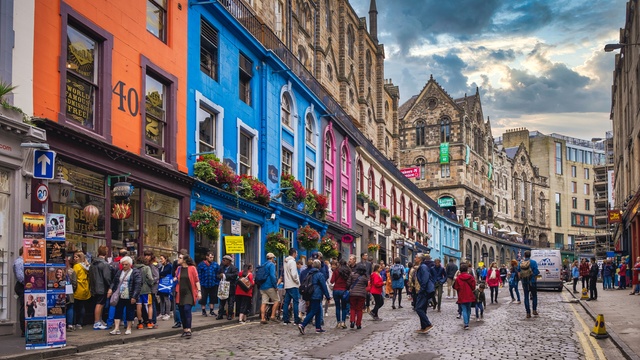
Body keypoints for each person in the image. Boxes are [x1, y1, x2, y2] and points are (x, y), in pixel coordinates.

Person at [108, 256, 141, 335]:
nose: (124, 266)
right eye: (123, 264)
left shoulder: (135, 272)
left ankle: (129, 328)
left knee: (130, 311)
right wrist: (111, 289)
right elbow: (114, 281)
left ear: (130, 264)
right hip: (120, 294)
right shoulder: (119, 272)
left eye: (126, 264)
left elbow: (138, 285)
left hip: (129, 294)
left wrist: (134, 296)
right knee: (118, 311)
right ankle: (116, 328)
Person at [297, 260, 331, 334]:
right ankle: (303, 324)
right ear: (319, 266)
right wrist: (328, 297)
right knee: (313, 311)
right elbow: (323, 286)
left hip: (310, 294)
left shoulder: (309, 274)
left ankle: (318, 328)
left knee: (318, 311)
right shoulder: (319, 274)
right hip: (317, 295)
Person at [173, 254, 201, 338]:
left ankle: (188, 329)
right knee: (181, 312)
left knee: (187, 309)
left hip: (189, 292)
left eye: (180, 258)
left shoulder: (192, 268)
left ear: (184, 260)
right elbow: (176, 278)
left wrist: (199, 291)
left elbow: (196, 281)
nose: (178, 259)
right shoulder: (178, 269)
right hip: (180, 293)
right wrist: (175, 279)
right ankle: (184, 329)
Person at [89, 245, 112, 330]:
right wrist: (110, 286)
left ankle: (99, 320)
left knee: (98, 303)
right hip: (102, 287)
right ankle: (97, 322)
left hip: (94, 286)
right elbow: (107, 277)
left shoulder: (93, 263)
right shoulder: (104, 264)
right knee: (100, 304)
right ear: (106, 253)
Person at [414, 253, 435, 333]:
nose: (414, 259)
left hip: (425, 291)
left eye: (416, 257)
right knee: (422, 308)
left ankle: (428, 324)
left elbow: (425, 279)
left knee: (418, 308)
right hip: (425, 290)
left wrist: (421, 290)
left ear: (419, 259)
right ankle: (423, 327)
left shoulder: (423, 267)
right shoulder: (422, 267)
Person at [453, 262, 476, 330]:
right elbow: (473, 287)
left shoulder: (458, 278)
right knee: (468, 309)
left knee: (464, 309)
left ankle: (466, 324)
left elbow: (456, 287)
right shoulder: (471, 277)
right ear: (467, 270)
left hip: (462, 295)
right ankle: (467, 322)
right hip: (469, 295)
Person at [134, 256, 154, 329]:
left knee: (138, 306)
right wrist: (151, 284)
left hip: (137, 290)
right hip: (146, 290)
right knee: (149, 305)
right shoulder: (146, 268)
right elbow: (150, 278)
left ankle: (140, 323)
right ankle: (149, 322)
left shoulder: (134, 268)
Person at [197, 252, 220, 317]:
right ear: (206, 257)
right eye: (210, 257)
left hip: (213, 284)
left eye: (212, 257)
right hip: (204, 284)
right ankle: (203, 311)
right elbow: (199, 274)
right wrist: (200, 282)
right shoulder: (201, 265)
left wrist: (217, 282)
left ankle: (211, 311)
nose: (211, 259)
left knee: (213, 298)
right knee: (203, 298)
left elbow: (218, 273)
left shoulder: (215, 264)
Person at [330, 259, 351, 329]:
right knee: (344, 307)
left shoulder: (336, 271)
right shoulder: (348, 271)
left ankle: (338, 322)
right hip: (344, 290)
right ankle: (343, 322)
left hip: (336, 290)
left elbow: (332, 281)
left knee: (338, 307)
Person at [519, 250, 540, 318]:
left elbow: (519, 272)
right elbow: (536, 272)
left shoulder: (521, 263)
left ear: (524, 255)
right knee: (534, 296)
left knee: (526, 297)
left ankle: (528, 313)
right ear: (530, 255)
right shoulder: (533, 262)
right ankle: (534, 310)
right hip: (532, 281)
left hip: (525, 282)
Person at [259, 252, 279, 324]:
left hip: (262, 286)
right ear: (272, 258)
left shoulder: (263, 265)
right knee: (276, 301)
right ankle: (273, 316)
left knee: (264, 302)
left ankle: (263, 318)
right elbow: (272, 276)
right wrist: (275, 286)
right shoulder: (271, 265)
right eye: (274, 258)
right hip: (269, 286)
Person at [73, 251, 91, 329]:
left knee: (74, 307)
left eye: (76, 257)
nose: (74, 258)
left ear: (80, 258)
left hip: (78, 289)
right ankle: (80, 323)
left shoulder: (77, 266)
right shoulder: (87, 266)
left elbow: (74, 277)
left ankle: (74, 323)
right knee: (82, 307)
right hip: (85, 288)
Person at [282, 248, 301, 325]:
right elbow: (294, 274)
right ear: (293, 253)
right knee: (296, 302)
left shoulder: (286, 261)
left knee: (286, 302)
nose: (297, 255)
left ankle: (285, 319)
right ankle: (296, 319)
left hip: (287, 284)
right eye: (296, 253)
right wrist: (297, 281)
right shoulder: (292, 262)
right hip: (293, 284)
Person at [347, 263, 368, 329]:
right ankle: (358, 324)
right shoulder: (365, 277)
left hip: (353, 294)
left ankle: (352, 321)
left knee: (352, 308)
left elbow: (348, 283)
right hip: (361, 294)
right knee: (359, 309)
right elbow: (366, 285)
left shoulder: (352, 275)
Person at [217, 255, 238, 320]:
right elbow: (217, 275)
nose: (223, 261)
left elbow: (235, 276)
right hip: (223, 287)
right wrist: (219, 276)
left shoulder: (234, 268)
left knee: (230, 302)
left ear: (229, 261)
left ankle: (229, 315)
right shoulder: (221, 267)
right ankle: (220, 315)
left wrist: (225, 275)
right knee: (221, 302)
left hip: (230, 287)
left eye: (224, 260)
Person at [13, 247, 25, 336]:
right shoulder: (19, 262)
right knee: (24, 307)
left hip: (24, 286)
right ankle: (23, 330)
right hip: (22, 286)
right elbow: (20, 277)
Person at [157, 255, 173, 320]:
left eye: (162, 259)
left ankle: (167, 313)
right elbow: (159, 272)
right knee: (161, 299)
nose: (160, 260)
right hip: (161, 284)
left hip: (166, 284)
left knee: (166, 298)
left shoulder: (169, 266)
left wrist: (160, 274)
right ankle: (162, 313)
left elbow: (164, 272)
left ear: (166, 259)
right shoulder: (161, 266)